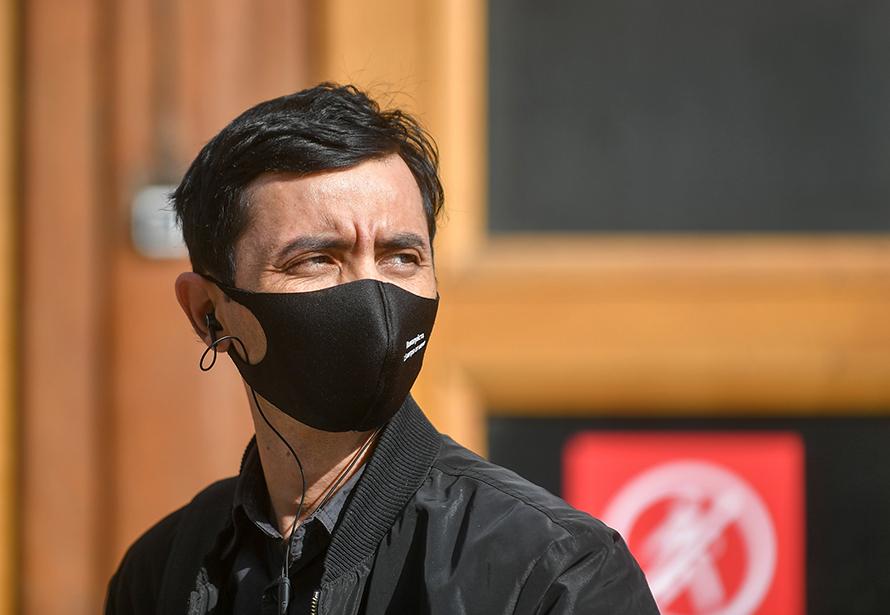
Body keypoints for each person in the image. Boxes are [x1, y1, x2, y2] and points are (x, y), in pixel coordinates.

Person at [104, 83, 659, 615]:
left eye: (401, 257)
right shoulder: (165, 572)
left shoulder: (554, 573)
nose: (373, 296)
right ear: (208, 311)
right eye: (316, 259)